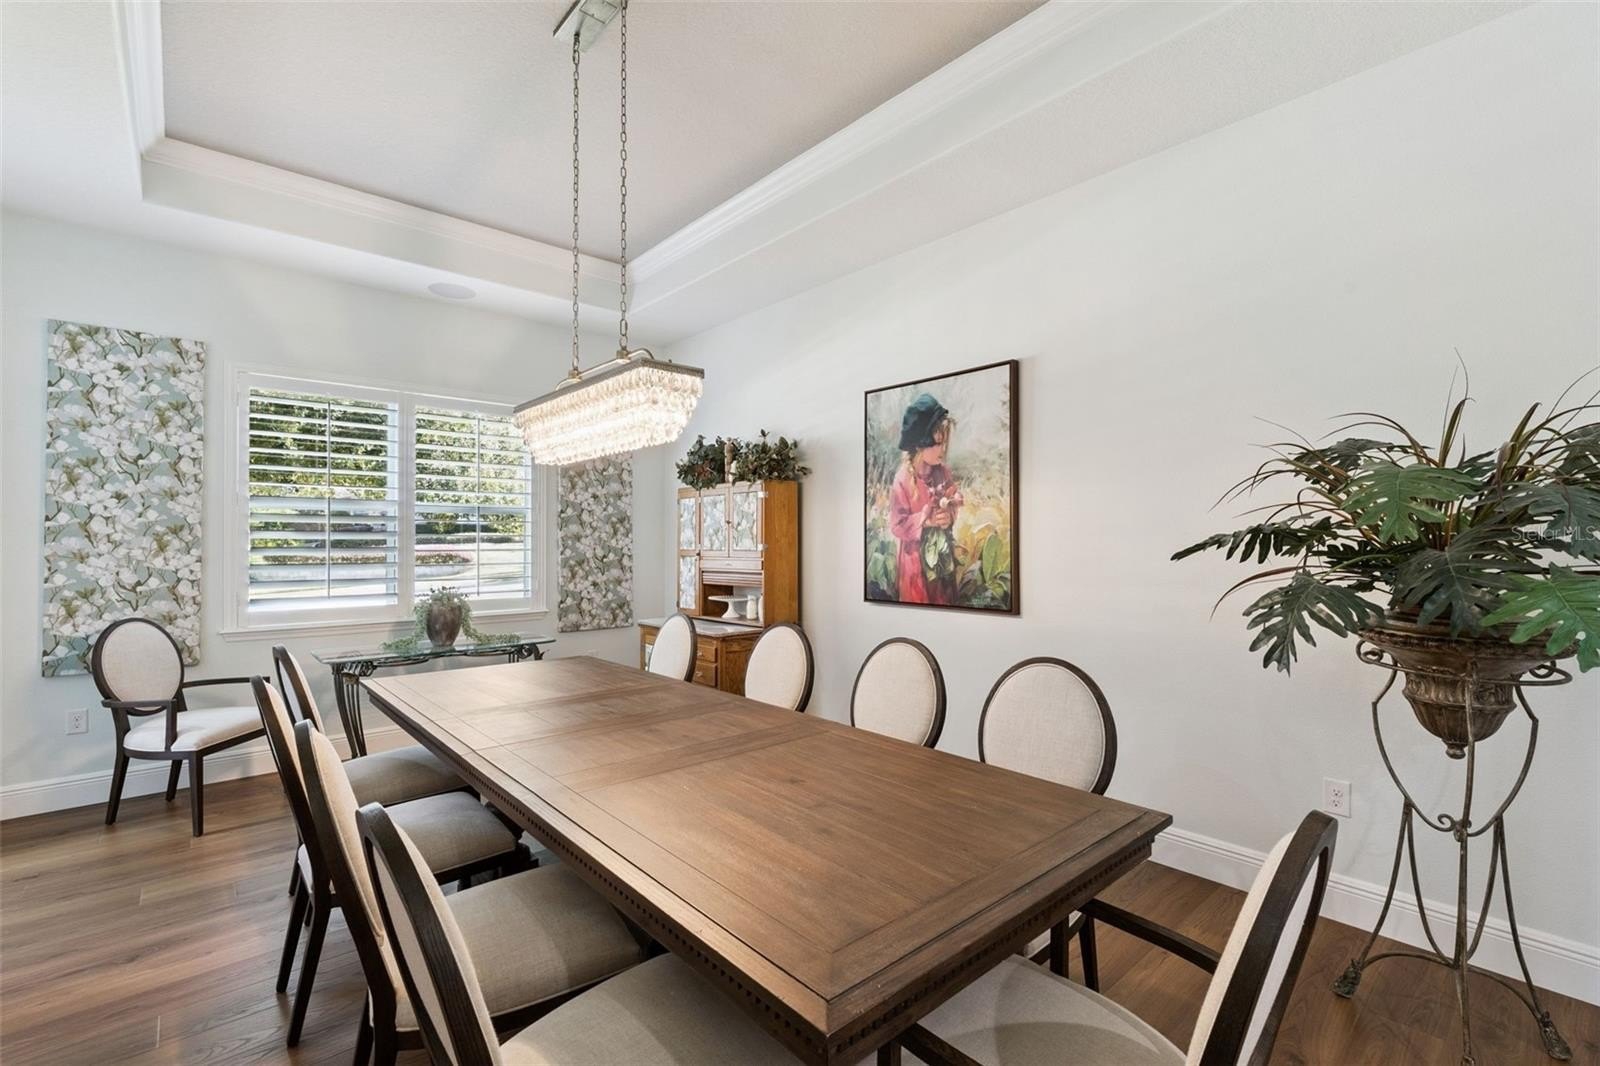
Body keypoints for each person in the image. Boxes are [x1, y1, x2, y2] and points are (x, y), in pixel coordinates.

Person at [888, 393, 963, 604]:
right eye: (938, 444)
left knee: (944, 602)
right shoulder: (903, 479)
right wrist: (926, 521)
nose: (943, 450)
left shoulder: (943, 472)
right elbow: (897, 525)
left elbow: (952, 499)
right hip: (915, 566)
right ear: (920, 445)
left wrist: (948, 517)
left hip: (942, 563)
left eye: (944, 443)